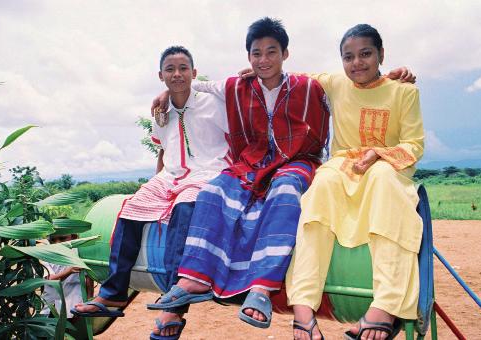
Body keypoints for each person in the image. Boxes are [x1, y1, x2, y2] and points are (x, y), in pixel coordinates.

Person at [147, 17, 330, 332]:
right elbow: (196, 84)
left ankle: (261, 287)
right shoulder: (237, 87)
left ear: (285, 54)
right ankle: (195, 278)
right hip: (254, 160)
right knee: (213, 191)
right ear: (248, 58)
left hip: (297, 159)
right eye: (256, 53)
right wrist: (165, 95)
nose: (263, 60)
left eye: (271, 52)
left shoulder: (308, 86)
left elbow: (351, 89)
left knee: (285, 191)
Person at [71, 46, 230, 340]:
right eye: (170, 69)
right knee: (132, 207)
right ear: (161, 76)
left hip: (209, 172)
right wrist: (154, 184)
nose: (177, 74)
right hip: (170, 175)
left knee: (184, 209)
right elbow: (162, 148)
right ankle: (114, 292)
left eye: (184, 68)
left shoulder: (214, 102)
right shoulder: (161, 110)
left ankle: (173, 301)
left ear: (194, 73)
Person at [285, 24, 424, 340]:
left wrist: (379, 153)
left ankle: (385, 307)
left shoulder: (404, 91)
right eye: (348, 57)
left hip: (387, 168)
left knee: (384, 178)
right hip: (343, 167)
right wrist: (253, 73)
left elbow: (414, 145)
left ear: (381, 55)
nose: (357, 63)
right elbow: (291, 79)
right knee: (321, 185)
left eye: (365, 54)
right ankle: (303, 309)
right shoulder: (335, 84)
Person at [41, 234, 90, 323]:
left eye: (62, 238)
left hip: (73, 304)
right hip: (50, 304)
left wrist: (88, 303)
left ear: (74, 237)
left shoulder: (81, 253)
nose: (58, 243)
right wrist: (69, 271)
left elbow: (89, 279)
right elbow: (50, 279)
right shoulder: (45, 255)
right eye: (53, 240)